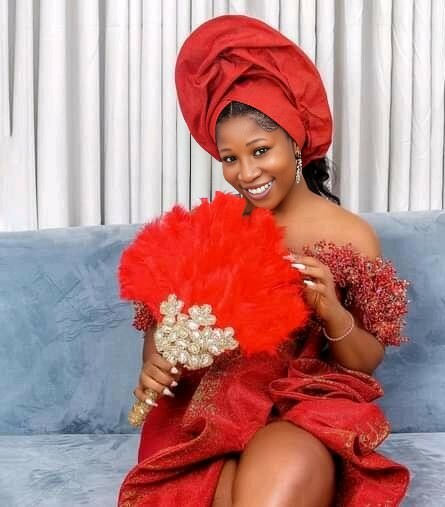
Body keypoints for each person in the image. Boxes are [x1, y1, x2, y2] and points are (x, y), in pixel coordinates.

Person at [118, 14, 411, 507]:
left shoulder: (349, 235)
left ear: (295, 141)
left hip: (300, 408)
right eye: (230, 158)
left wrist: (332, 311)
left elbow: (367, 362)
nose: (246, 172)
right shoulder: (212, 230)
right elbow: (163, 331)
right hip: (209, 416)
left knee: (275, 484)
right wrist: (156, 364)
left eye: (260, 150)